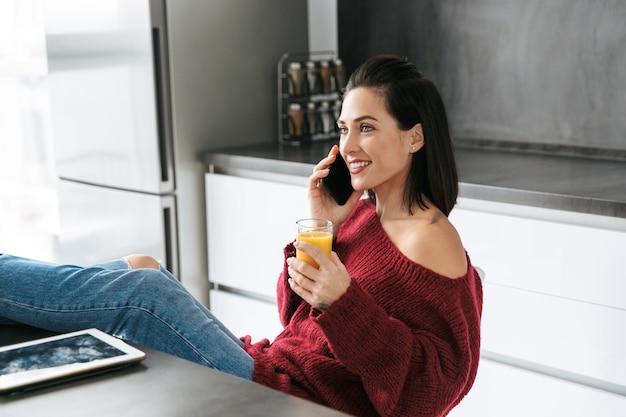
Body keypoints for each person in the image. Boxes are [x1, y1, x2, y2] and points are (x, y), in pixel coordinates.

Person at [0, 54, 482, 417]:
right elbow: (297, 325)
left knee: (146, 295)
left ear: (414, 137)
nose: (348, 146)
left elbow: (432, 394)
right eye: (343, 129)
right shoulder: (364, 215)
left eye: (367, 127)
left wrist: (346, 303)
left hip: (291, 399)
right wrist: (325, 229)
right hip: (275, 368)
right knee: (142, 266)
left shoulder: (430, 239)